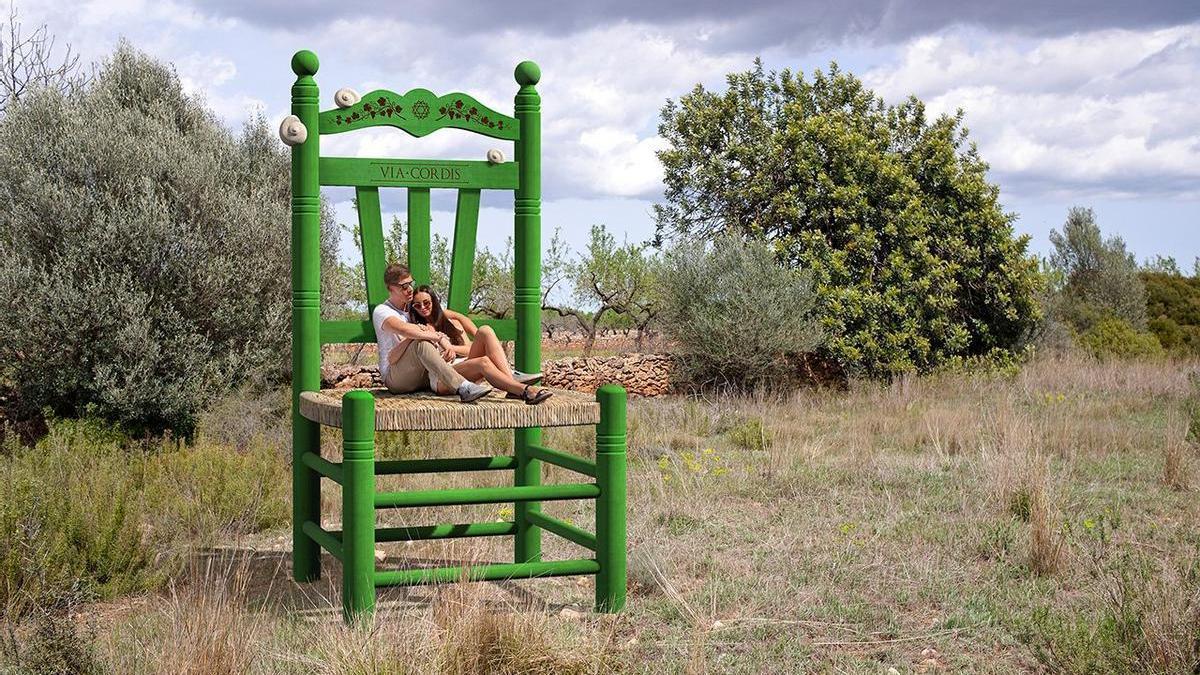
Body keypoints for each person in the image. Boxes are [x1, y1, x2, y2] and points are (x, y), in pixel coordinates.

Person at [408, 285, 553, 405]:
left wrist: (452, 347)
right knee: (483, 362)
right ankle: (524, 390)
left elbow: (469, 347)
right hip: (443, 378)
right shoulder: (419, 328)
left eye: (426, 303)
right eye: (417, 305)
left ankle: (510, 381)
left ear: (434, 301)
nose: (422, 307)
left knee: (485, 331)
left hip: (463, 365)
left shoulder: (451, 324)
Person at [372, 264, 493, 403]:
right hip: (396, 376)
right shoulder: (382, 311)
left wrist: (478, 335)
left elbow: (451, 315)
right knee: (421, 342)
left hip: (424, 375)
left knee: (480, 354)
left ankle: (507, 377)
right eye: (404, 286)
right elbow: (405, 329)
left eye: (411, 283)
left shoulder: (414, 308)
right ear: (390, 288)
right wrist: (440, 338)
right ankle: (463, 387)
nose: (410, 289)